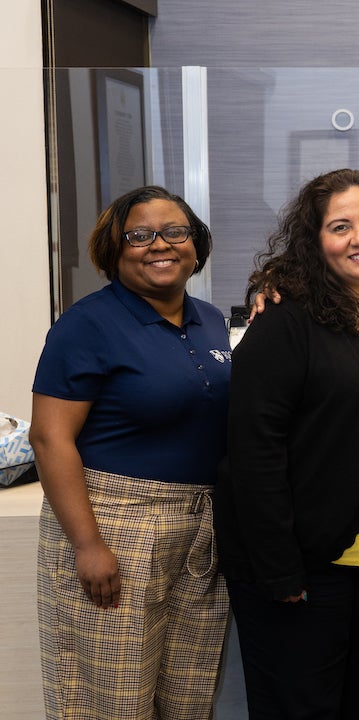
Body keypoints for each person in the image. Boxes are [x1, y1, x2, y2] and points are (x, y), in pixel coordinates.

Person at [215, 168, 359, 719]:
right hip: (305, 568)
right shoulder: (284, 323)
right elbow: (254, 451)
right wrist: (278, 567)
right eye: (340, 227)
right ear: (315, 241)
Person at [29, 185, 230, 719]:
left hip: (198, 531)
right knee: (112, 698)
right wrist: (87, 544)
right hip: (114, 523)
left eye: (175, 232)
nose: (159, 245)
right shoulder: (86, 324)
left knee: (185, 693)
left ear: (195, 244)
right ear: (114, 249)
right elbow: (50, 438)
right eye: (139, 235)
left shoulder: (209, 319)